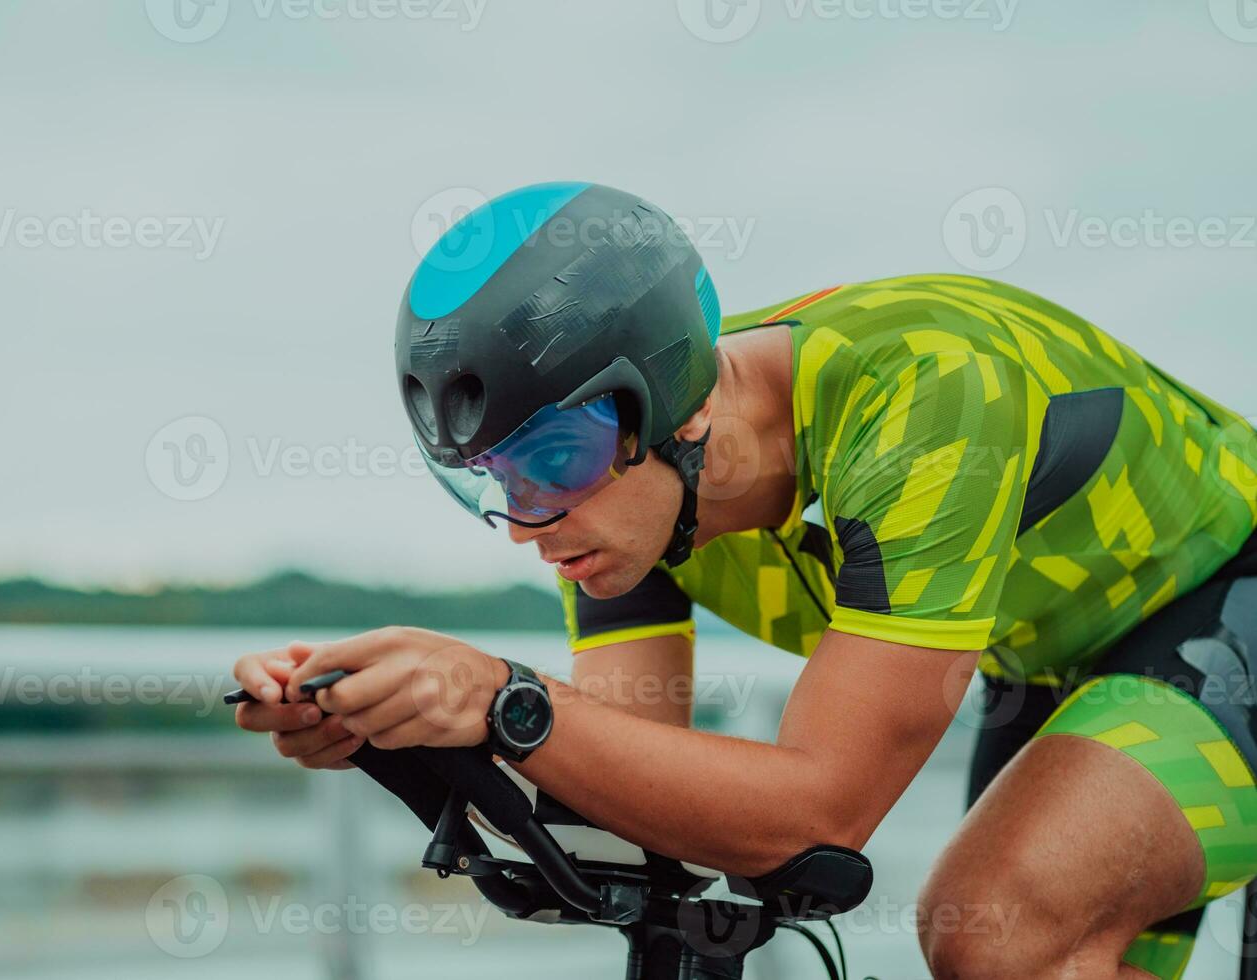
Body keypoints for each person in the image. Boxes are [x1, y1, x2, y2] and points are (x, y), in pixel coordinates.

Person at [232, 182, 1257, 979]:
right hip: (1058, 652)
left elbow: (817, 815)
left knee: (994, 925)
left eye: (547, 458)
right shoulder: (623, 507)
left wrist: (495, 693)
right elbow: (636, 805)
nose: (525, 521)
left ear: (667, 411)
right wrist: (417, 729)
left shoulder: (925, 400)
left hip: (1227, 589)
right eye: (490, 479)